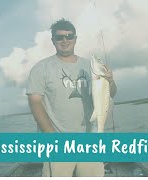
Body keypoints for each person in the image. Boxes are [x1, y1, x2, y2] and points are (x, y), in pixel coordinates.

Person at [26, 18, 117, 177]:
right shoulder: (41, 68)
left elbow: (111, 93)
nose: (65, 40)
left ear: (75, 38)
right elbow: (35, 103)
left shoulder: (89, 66)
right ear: (53, 40)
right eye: (59, 37)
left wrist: (110, 80)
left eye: (69, 36)